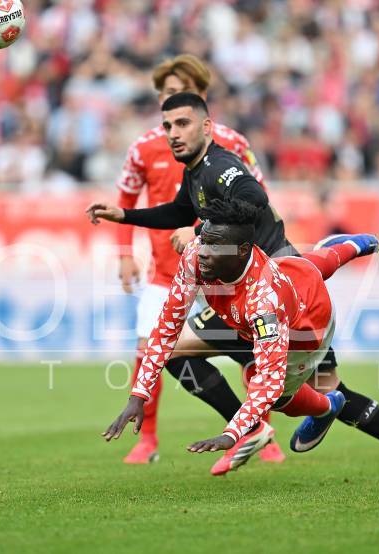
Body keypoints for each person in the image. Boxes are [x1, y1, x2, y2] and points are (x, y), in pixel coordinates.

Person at [88, 92, 379, 476]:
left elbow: (254, 195)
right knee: (312, 386)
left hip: (279, 295)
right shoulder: (197, 172)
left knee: (302, 387)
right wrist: (125, 215)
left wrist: (201, 231)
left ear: (207, 126)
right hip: (268, 288)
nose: (173, 133)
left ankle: (256, 426)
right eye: (167, 125)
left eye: (182, 123)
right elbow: (178, 212)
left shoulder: (220, 167)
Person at [100, 198, 379, 484]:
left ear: (241, 251)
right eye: (203, 240)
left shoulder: (263, 303)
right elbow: (167, 326)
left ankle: (328, 408)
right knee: (308, 265)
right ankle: (352, 245)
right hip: (272, 284)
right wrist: (139, 395)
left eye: (213, 246)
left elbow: (270, 380)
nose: (202, 252)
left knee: (275, 389)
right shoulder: (198, 255)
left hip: (307, 327)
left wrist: (232, 432)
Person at [112, 54, 283, 464]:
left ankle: (259, 433)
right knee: (152, 349)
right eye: (166, 94)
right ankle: (147, 440)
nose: (172, 102)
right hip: (167, 272)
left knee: (250, 351)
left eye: (181, 93)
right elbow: (129, 198)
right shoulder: (143, 148)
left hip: (222, 270)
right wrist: (124, 251)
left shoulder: (231, 144)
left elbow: (257, 199)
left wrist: (265, 250)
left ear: (201, 97)